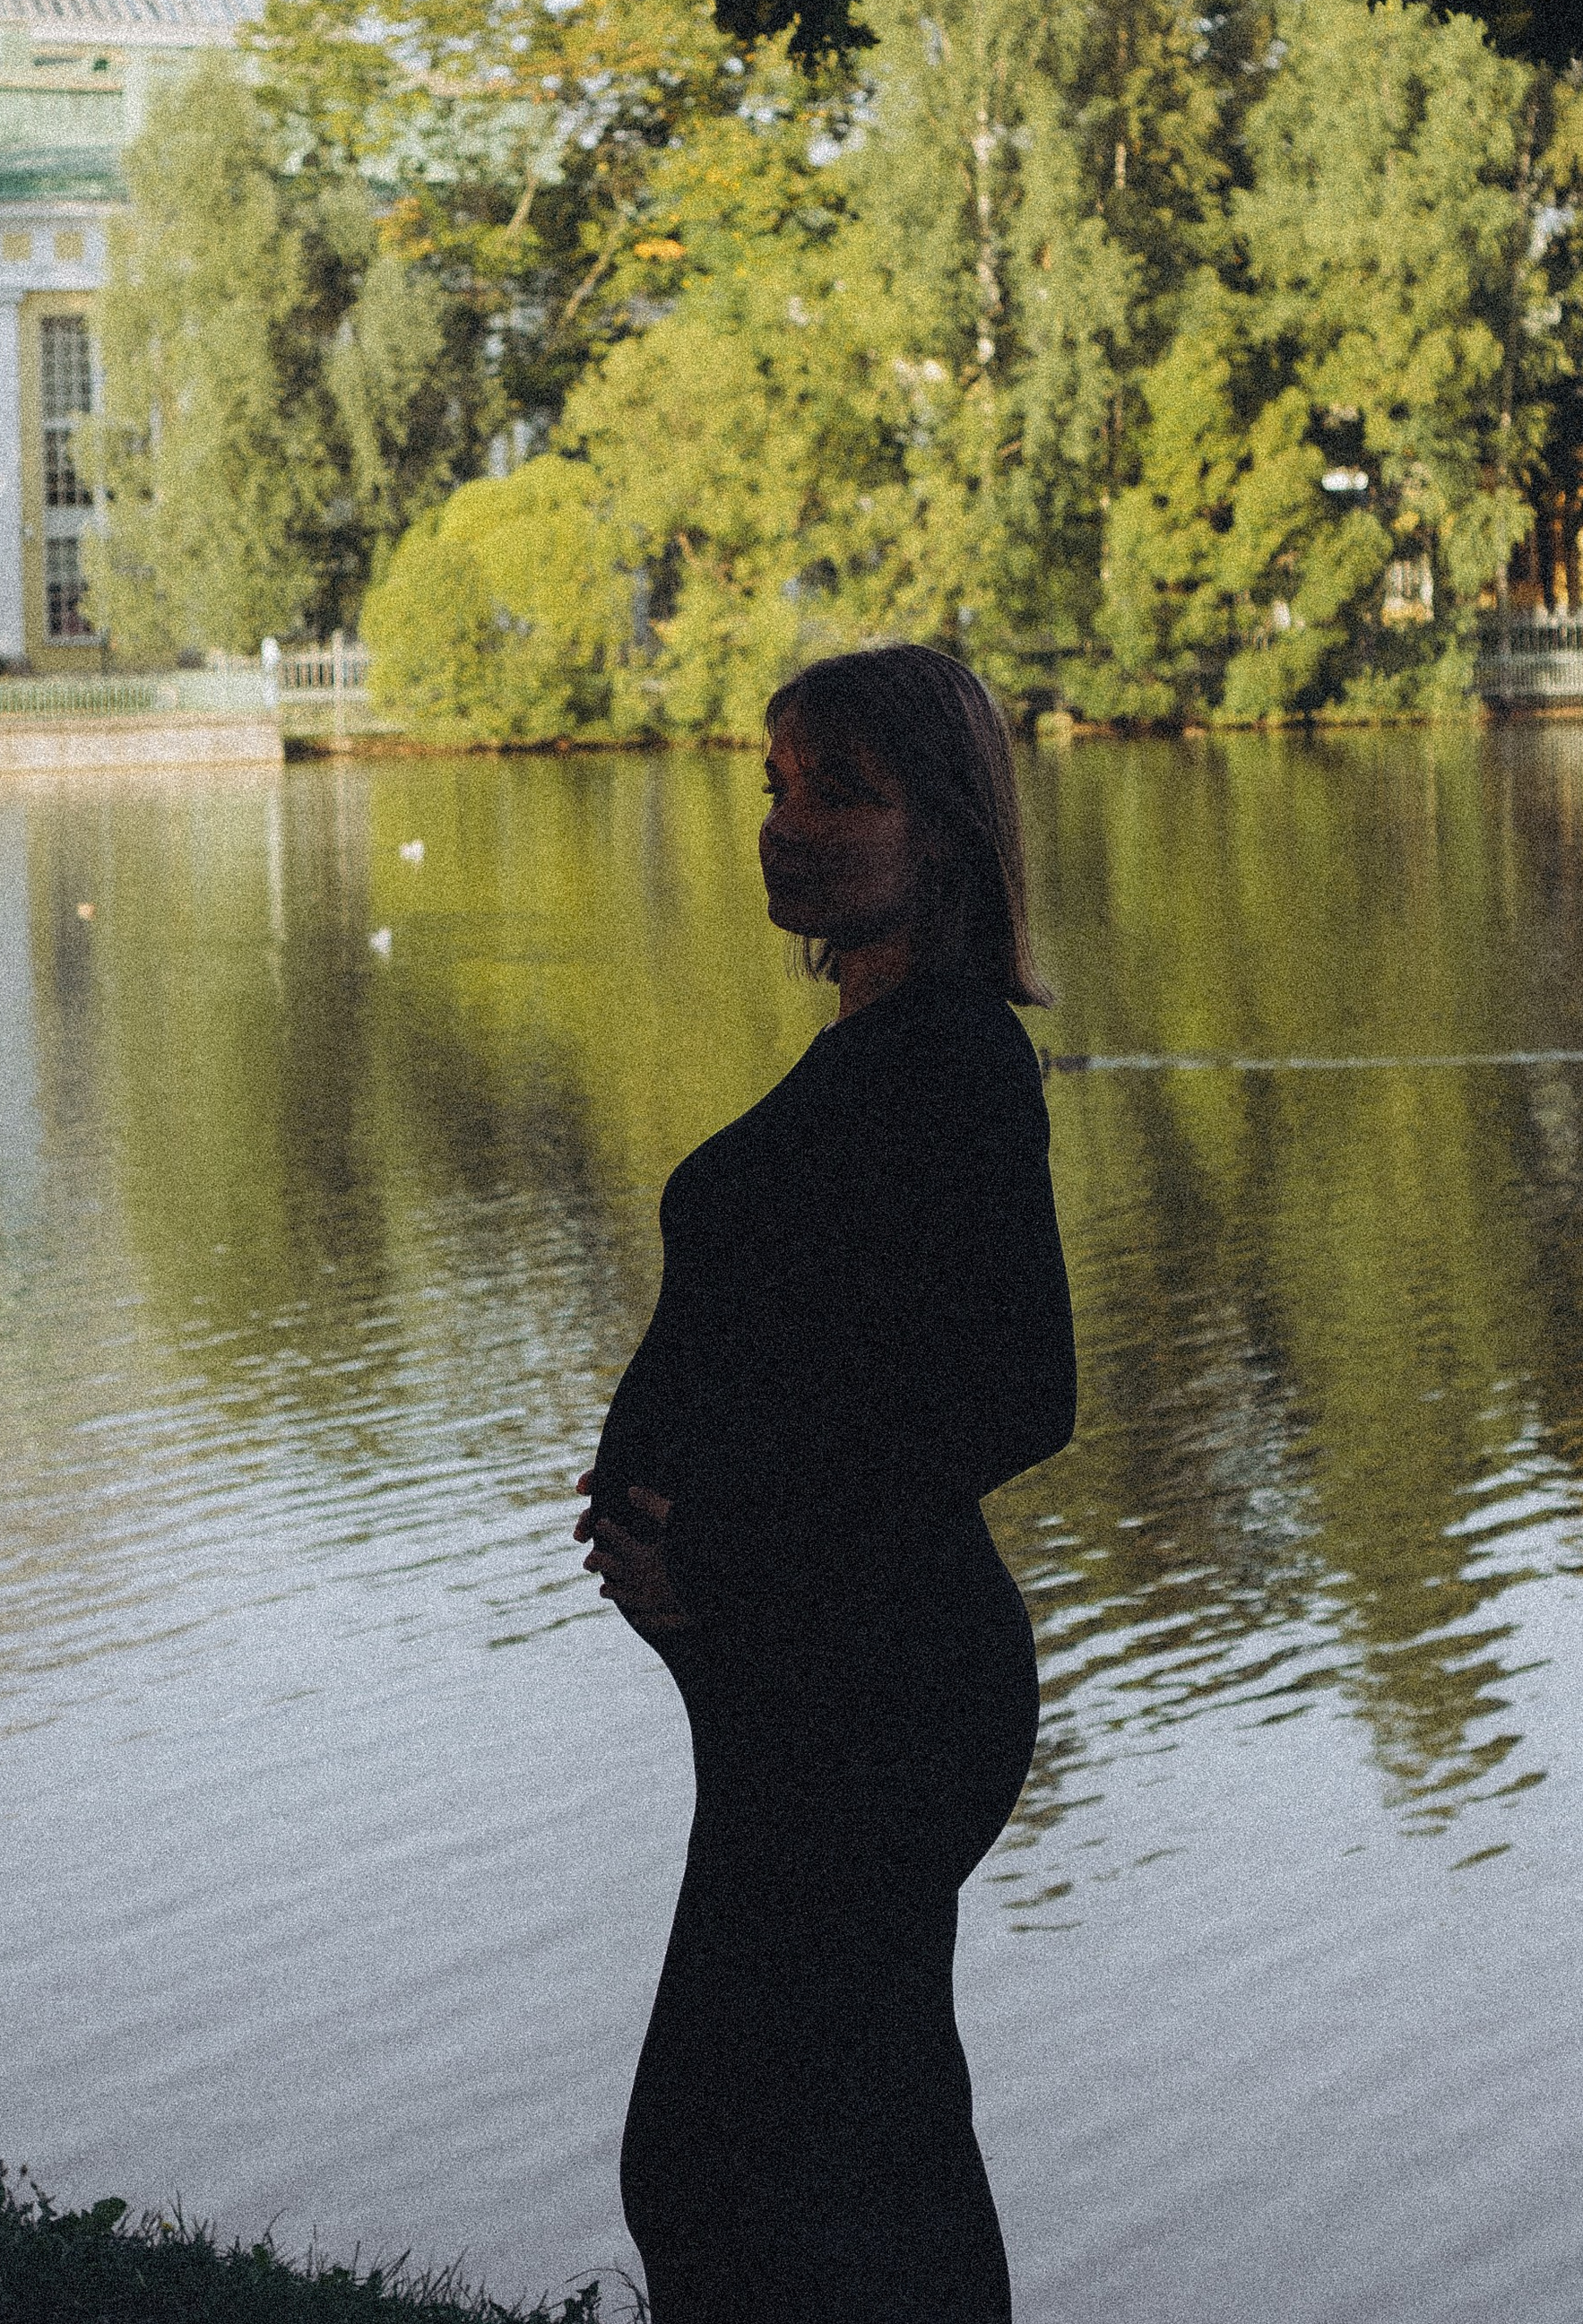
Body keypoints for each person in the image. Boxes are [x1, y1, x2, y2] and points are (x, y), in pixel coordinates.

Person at [577, 644, 1076, 2324]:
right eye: (777, 787)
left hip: (882, 1681)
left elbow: (1018, 1392)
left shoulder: (953, 1061)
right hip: (797, 1676)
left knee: (732, 2144)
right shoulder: (874, 1048)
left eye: (840, 793)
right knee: (847, 2124)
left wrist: (731, 1534)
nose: (787, 829)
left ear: (940, 827)